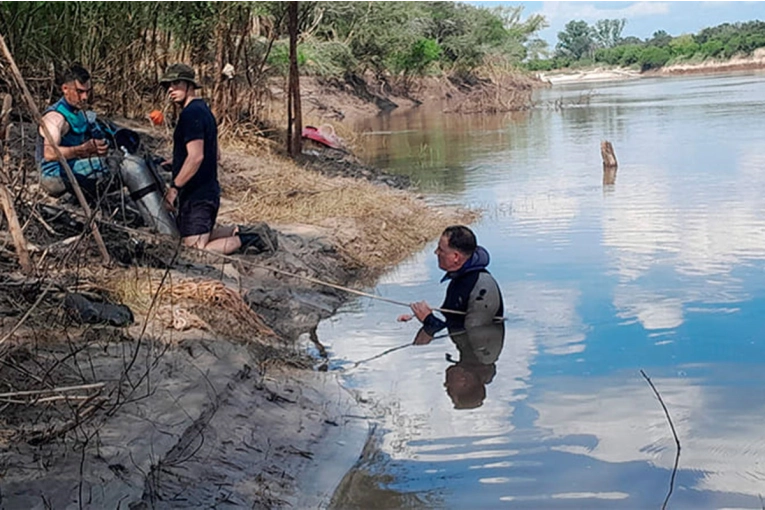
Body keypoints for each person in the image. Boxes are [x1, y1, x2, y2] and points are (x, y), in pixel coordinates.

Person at [159, 63, 275, 254]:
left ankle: (250, 239)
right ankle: (242, 231)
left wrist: (174, 189)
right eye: (168, 86)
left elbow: (196, 157)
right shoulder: (203, 110)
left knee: (196, 249)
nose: (171, 89)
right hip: (206, 191)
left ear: (189, 85)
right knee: (189, 238)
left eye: (176, 83)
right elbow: (215, 154)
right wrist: (177, 161)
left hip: (198, 195)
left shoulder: (190, 115)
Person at [398, 225, 504, 336]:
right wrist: (418, 315)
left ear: (456, 257)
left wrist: (429, 320)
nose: (436, 252)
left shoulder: (482, 286)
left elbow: (472, 334)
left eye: (441, 250)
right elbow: (450, 316)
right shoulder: (460, 278)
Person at [35, 64, 110, 201]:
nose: (85, 97)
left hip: (71, 168)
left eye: (87, 91)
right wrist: (81, 150)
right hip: (53, 176)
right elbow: (50, 153)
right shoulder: (55, 118)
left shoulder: (80, 114)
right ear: (65, 89)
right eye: (80, 92)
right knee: (113, 164)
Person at [443, 322, 505, 410]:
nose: (446, 384)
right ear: (464, 382)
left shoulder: (481, 354)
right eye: (450, 390)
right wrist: (431, 323)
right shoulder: (477, 347)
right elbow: (459, 320)